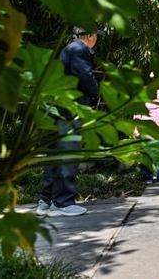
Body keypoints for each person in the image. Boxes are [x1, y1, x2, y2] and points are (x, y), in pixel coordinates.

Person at [37, 26, 100, 217]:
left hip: (57, 108)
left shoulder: (67, 49)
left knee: (55, 155)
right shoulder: (79, 50)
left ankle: (45, 201)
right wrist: (97, 92)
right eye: (96, 36)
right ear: (90, 36)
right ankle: (63, 202)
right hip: (70, 109)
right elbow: (85, 76)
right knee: (68, 152)